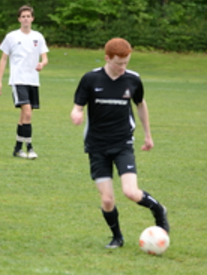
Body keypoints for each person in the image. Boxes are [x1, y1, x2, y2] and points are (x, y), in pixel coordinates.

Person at [71, 37, 169, 249]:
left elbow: (141, 105)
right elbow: (78, 106)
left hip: (122, 142)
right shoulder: (90, 79)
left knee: (131, 192)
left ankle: (159, 210)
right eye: (118, 63)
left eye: (126, 63)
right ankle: (117, 237)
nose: (122, 68)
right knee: (107, 200)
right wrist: (76, 113)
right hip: (97, 145)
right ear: (107, 58)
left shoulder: (133, 79)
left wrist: (148, 135)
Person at [0, 5, 48, 159]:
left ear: (32, 18)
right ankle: (30, 148)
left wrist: (42, 64)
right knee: (28, 113)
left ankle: (18, 149)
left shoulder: (38, 37)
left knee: (24, 116)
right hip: (18, 80)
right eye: (23, 16)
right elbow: (3, 59)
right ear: (19, 19)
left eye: (28, 16)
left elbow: (45, 57)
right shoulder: (11, 37)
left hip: (33, 81)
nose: (26, 19)